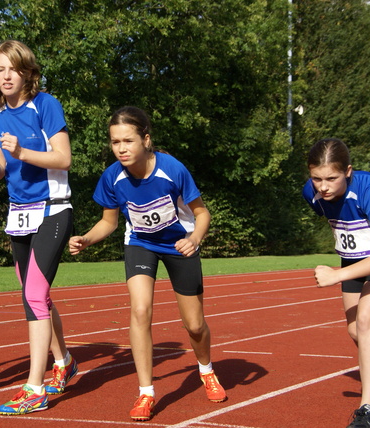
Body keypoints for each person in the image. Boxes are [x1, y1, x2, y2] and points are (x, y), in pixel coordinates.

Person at [69, 106, 227, 421]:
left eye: (128, 140)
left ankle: (206, 370)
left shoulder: (172, 169)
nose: (121, 148)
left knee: (195, 325)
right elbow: (109, 223)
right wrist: (87, 238)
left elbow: (202, 213)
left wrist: (194, 239)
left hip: (179, 245)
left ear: (146, 139)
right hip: (140, 244)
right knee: (140, 310)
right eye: (115, 142)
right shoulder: (112, 177)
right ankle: (146, 392)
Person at [0, 40, 78, 415]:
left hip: (53, 209)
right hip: (19, 213)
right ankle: (64, 360)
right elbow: (1, 170)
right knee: (35, 295)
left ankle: (35, 388)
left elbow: (63, 158)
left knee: (34, 295)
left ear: (28, 73)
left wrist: (21, 152)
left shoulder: (46, 105)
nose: (5, 76)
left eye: (12, 69)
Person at [302, 138, 370, 428]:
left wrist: (336, 276)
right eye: (317, 178)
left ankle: (368, 409)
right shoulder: (310, 193)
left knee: (366, 321)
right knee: (356, 330)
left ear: (348, 171)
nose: (323, 186)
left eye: (332, 178)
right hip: (355, 253)